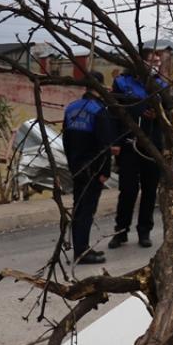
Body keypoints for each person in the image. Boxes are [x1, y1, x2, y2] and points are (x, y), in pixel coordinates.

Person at [110, 47, 173, 249]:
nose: (156, 64)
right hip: (129, 143)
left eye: (158, 61)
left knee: (149, 191)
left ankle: (144, 231)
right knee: (127, 190)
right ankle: (120, 232)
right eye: (152, 60)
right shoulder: (122, 82)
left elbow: (169, 113)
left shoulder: (161, 85)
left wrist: (157, 114)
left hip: (153, 144)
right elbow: (116, 113)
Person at [62, 71, 115, 264]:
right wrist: (105, 172)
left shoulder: (71, 109)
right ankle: (82, 252)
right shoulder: (98, 110)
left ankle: (80, 247)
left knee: (79, 208)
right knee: (86, 211)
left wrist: (72, 165)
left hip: (77, 167)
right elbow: (105, 145)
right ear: (99, 86)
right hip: (93, 170)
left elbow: (65, 140)